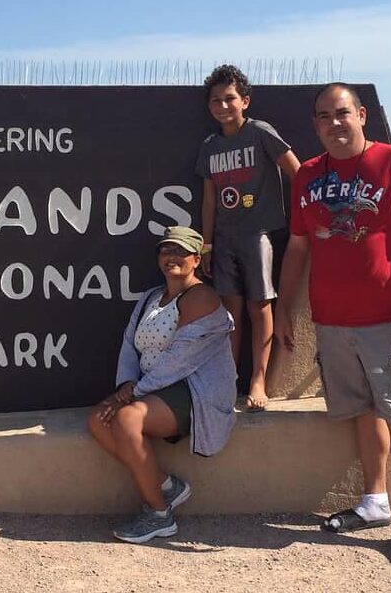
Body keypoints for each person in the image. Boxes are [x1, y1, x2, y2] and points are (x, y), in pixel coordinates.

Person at [274, 83, 391, 565]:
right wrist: (283, 307)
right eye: (324, 116)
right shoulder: (308, 175)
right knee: (361, 412)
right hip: (333, 322)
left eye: (342, 113)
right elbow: (297, 248)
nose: (334, 123)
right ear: (315, 124)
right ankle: (375, 501)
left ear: (361, 115)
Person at [88, 226, 237, 543]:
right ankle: (167, 486)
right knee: (98, 421)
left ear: (196, 260)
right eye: (167, 250)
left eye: (181, 252)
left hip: (196, 391)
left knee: (127, 418)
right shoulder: (150, 298)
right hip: (152, 389)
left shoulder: (202, 298)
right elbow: (130, 346)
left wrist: (132, 394)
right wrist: (127, 383)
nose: (173, 257)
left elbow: (179, 361)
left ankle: (158, 515)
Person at [196, 64, 300, 410]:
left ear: (245, 101)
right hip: (224, 239)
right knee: (231, 311)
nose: (223, 106)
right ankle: (230, 381)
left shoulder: (260, 132)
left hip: (259, 235)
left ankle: (258, 379)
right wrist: (206, 244)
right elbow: (209, 200)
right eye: (216, 101)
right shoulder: (210, 146)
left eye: (229, 99)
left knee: (260, 306)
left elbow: (297, 172)